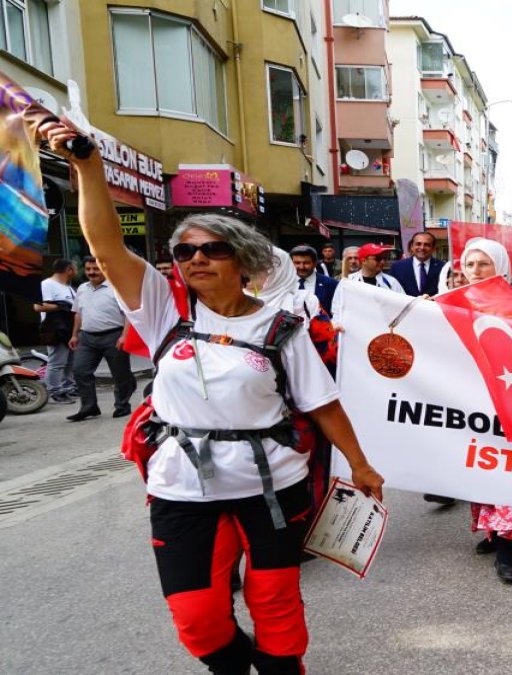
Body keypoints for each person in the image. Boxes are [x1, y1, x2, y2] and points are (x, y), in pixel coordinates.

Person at [41, 119, 385, 675]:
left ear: (244, 262)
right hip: (180, 488)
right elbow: (106, 247)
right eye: (185, 252)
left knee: (274, 605)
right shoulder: (165, 313)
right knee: (197, 617)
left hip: (270, 486)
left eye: (213, 249)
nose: (196, 258)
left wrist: (363, 467)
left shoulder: (283, 328)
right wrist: (87, 167)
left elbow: (323, 405)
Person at [458, 238, 512, 583]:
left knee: (510, 469)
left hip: (511, 399)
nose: (476, 271)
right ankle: (491, 532)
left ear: (500, 266)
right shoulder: (451, 304)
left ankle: (507, 547)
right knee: (481, 467)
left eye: (484, 264)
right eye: (470, 264)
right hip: (467, 401)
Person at [67, 256, 135, 421]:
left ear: (104, 268)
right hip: (87, 338)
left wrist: (125, 336)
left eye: (95, 269)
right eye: (88, 269)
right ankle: (89, 407)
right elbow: (78, 313)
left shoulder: (117, 287)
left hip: (114, 335)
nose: (91, 272)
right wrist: (74, 335)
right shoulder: (82, 288)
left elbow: (129, 314)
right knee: (80, 370)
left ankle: (122, 405)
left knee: (120, 374)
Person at [34, 259, 77, 404]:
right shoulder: (47, 284)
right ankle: (55, 390)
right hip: (54, 329)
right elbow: (38, 306)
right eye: (75, 268)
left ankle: (68, 387)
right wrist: (61, 306)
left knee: (69, 361)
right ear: (69, 269)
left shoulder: (67, 287)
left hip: (69, 329)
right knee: (57, 362)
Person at [289, 245, 339, 316]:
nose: (301, 267)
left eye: (306, 263)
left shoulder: (331, 284)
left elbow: (337, 312)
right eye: (297, 263)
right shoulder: (284, 284)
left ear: (315, 263)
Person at [390, 231, 444, 296]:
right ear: (412, 246)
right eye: (418, 244)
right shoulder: (397, 267)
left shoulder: (443, 267)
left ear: (433, 248)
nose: (422, 248)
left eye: (427, 245)